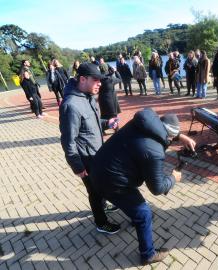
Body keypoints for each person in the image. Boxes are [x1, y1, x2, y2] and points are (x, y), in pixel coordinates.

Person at [89, 108, 196, 265]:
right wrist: (174, 178)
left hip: (98, 166)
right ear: (169, 135)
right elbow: (157, 188)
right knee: (144, 214)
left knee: (134, 203)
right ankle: (148, 255)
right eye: (173, 138)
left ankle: (133, 216)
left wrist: (180, 136)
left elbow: (162, 130)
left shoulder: (144, 121)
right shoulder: (154, 151)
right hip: (111, 180)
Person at [59, 63, 120, 234]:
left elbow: (90, 125)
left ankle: (103, 206)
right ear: (83, 79)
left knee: (100, 187)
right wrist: (77, 166)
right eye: (96, 80)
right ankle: (101, 223)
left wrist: (106, 123)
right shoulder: (71, 105)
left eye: (100, 80)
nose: (100, 83)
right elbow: (68, 140)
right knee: (94, 191)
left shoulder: (87, 96)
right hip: (86, 159)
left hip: (97, 154)